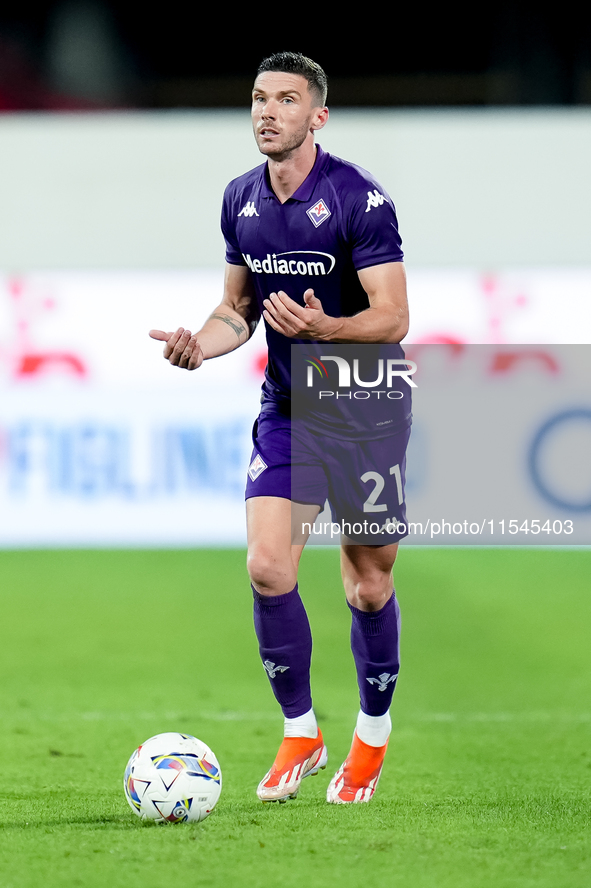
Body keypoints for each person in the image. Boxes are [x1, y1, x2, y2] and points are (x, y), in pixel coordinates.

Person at [149, 52, 411, 805]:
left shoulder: (360, 199)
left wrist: (326, 326)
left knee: (368, 583)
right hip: (290, 411)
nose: (267, 111)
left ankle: (370, 737)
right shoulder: (240, 199)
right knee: (268, 567)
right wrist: (202, 342)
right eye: (259, 99)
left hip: (363, 409)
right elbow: (238, 307)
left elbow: (393, 315)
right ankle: (302, 731)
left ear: (316, 116)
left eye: (286, 100)